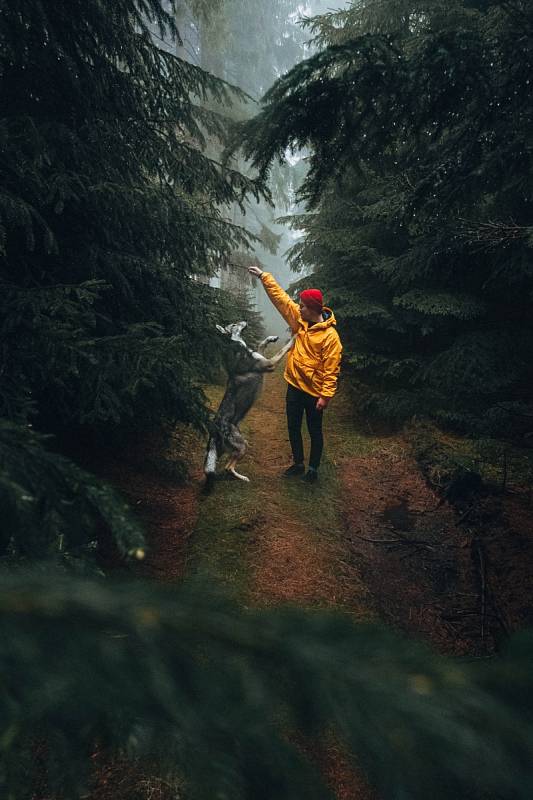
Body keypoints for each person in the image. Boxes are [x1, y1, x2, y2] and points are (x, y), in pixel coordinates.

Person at [248, 266, 342, 483]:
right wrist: (264, 276)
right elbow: (281, 298)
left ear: (311, 308)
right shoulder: (298, 320)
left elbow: (331, 369)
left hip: (314, 393)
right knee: (292, 426)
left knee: (314, 430)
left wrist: (325, 396)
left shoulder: (330, 337)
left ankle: (313, 469)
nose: (298, 308)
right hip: (294, 386)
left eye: (302, 306)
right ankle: (298, 463)